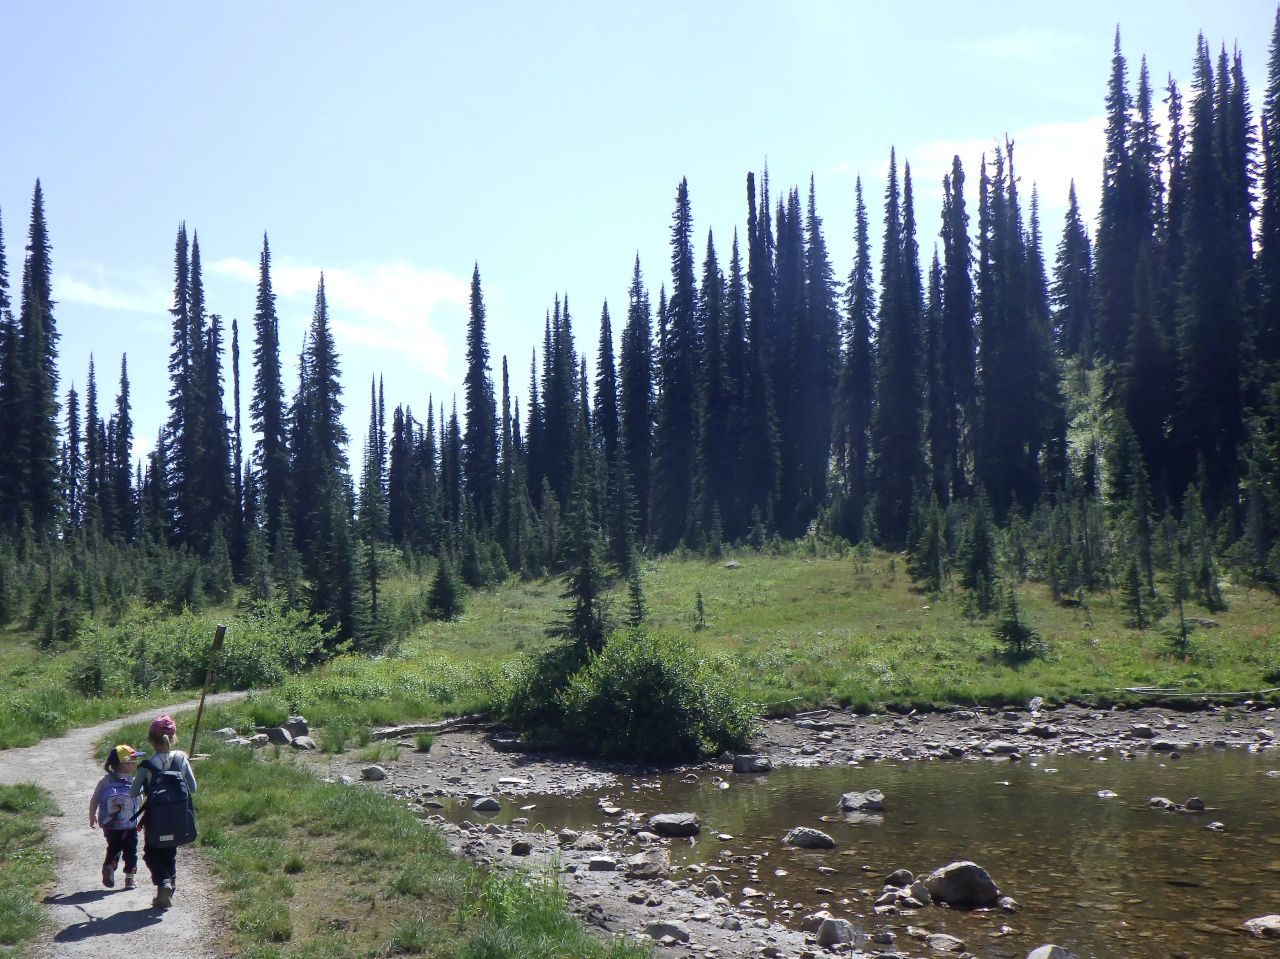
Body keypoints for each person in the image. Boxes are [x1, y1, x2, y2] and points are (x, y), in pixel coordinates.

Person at [130, 715, 197, 909]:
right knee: (170, 853)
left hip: (155, 819)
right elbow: (192, 788)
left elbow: (133, 792)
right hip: (178, 818)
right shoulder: (181, 759)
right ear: (173, 737)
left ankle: (163, 883)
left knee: (151, 853)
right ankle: (166, 892)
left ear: (150, 740)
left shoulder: (147, 766)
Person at [89, 744, 144, 889]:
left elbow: (95, 799)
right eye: (132, 760)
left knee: (114, 847)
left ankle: (109, 866)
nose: (134, 763)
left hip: (110, 824)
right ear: (123, 763)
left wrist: (92, 815)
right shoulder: (134, 780)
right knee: (131, 851)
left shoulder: (105, 781)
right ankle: (130, 880)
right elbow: (140, 802)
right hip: (129, 825)